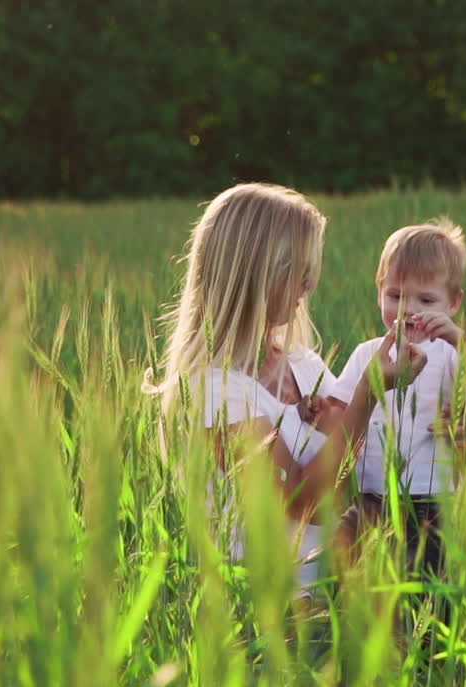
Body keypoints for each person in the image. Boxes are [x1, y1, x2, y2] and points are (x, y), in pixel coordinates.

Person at [144, 183, 448, 591]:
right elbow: (307, 504)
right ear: (257, 273)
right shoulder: (210, 394)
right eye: (300, 272)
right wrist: (369, 390)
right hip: (265, 623)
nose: (309, 287)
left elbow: (364, 449)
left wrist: (445, 430)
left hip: (337, 606)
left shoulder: (303, 365)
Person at [328, 218, 466, 577]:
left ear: (454, 303)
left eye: (426, 299)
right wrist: (318, 407)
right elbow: (340, 409)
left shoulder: (451, 353)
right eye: (395, 295)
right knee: (350, 571)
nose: (407, 309)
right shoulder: (369, 354)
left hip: (433, 504)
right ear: (379, 291)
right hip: (371, 499)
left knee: (427, 586)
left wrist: (460, 339)